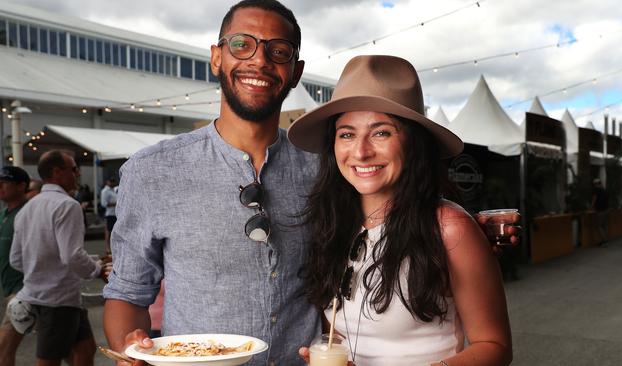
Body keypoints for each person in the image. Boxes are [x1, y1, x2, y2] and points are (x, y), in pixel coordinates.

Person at [103, 2, 518, 365]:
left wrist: (463, 234)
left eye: (278, 51)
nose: (259, 61)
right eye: (241, 44)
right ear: (216, 57)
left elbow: (407, 224)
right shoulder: (153, 170)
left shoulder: (325, 172)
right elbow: (127, 290)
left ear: (296, 72)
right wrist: (130, 346)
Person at [288, 55, 512, 365]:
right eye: (347, 134)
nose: (361, 152)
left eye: (381, 132)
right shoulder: (333, 225)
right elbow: (342, 332)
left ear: (413, 142)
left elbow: (495, 346)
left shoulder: (450, 227)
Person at [10, 150, 110, 366]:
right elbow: (72, 255)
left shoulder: (26, 209)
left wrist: (39, 268)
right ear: (57, 172)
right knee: (49, 358)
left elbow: (16, 260)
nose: (77, 174)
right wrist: (98, 270)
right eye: (74, 169)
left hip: (47, 295)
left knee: (85, 349)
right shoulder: (67, 205)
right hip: (57, 298)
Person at [0, 166, 30, 366]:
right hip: (11, 288)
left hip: (23, 292)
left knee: (3, 350)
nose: (0, 187)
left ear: (21, 186)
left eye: (5, 182)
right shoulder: (5, 213)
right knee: (71, 350)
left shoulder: (26, 214)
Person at [100, 178, 118, 254]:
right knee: (108, 232)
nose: (112, 182)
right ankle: (107, 248)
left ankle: (114, 247)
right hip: (110, 214)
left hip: (116, 213)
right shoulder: (105, 191)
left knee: (115, 232)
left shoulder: (114, 190)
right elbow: (104, 204)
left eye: (113, 181)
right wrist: (116, 204)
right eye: (111, 181)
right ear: (107, 181)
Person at [590, 178, 609, 246]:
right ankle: (605, 239)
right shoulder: (604, 190)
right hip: (606, 209)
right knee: (605, 225)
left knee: (600, 226)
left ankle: (604, 241)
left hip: (600, 210)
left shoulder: (596, 190)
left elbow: (594, 199)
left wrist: (591, 207)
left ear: (595, 184)